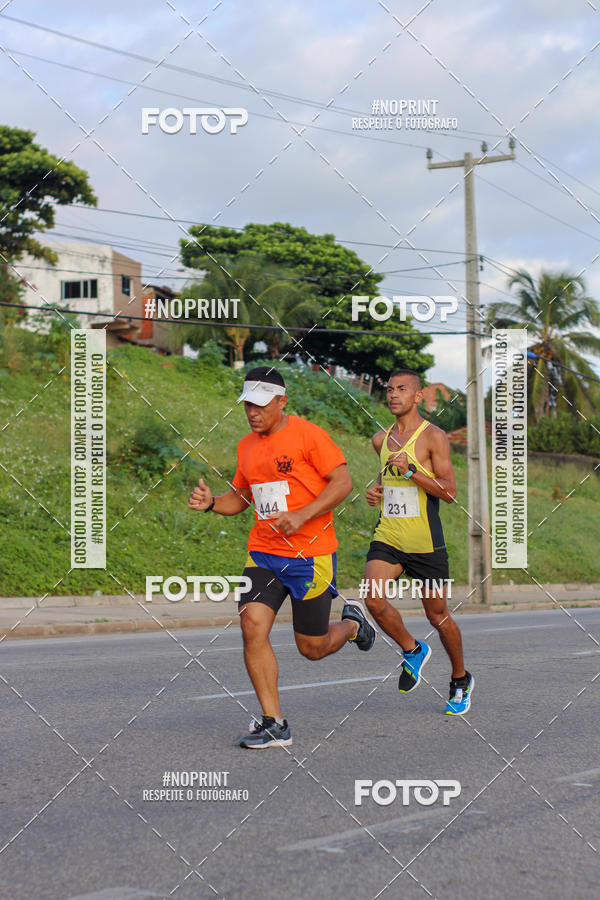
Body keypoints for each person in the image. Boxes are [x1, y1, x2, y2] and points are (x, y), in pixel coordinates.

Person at [188, 366, 375, 748]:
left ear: (281, 401)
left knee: (312, 648)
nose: (252, 413)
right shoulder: (246, 447)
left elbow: (344, 483)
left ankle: (353, 624)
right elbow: (241, 498)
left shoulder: (309, 436)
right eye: (247, 405)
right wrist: (211, 504)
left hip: (311, 556)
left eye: (260, 405)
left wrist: (304, 514)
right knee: (251, 626)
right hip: (264, 554)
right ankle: (274, 723)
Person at [363, 369, 474, 715]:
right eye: (390, 389)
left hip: (425, 542)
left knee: (437, 616)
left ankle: (460, 678)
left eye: (402, 389)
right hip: (389, 535)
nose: (393, 394)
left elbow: (450, 492)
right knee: (373, 599)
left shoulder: (434, 437)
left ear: (417, 396)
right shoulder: (380, 440)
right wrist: (375, 492)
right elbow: (386, 479)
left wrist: (413, 471)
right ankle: (412, 649)